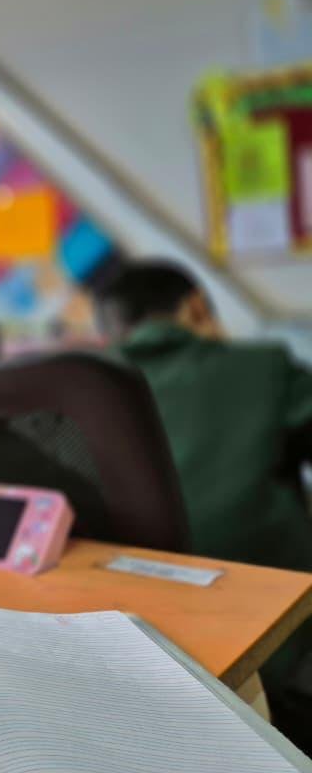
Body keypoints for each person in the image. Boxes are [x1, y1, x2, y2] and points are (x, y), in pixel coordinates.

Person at [96, 259, 312, 749]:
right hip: (278, 643)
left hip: (140, 652)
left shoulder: (83, 393)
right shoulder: (263, 368)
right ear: (196, 308)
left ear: (109, 333)